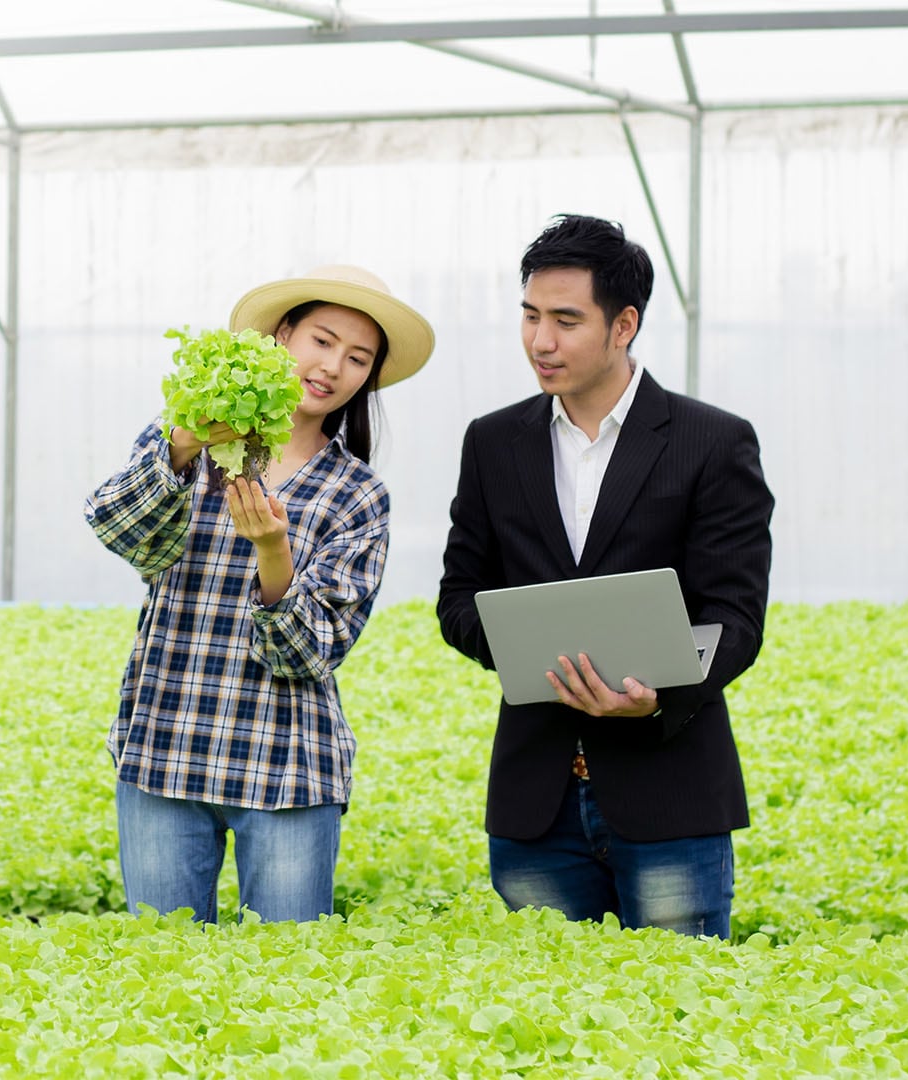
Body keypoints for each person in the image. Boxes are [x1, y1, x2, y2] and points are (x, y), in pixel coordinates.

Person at [436, 214, 774, 938]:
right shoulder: (494, 442)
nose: (540, 342)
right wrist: (535, 647)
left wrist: (655, 696)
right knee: (550, 1028)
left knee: (681, 1022)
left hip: (670, 796)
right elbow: (458, 597)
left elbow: (736, 618)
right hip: (536, 805)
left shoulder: (712, 442)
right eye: (529, 316)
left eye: (565, 320)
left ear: (624, 325)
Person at [84, 265, 434, 923]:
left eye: (358, 358)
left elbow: (309, 655)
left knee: (288, 986)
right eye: (322, 341)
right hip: (166, 741)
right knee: (164, 981)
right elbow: (121, 531)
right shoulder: (189, 436)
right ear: (280, 337)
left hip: (285, 763)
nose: (334, 366)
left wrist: (273, 552)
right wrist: (182, 444)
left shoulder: (356, 495)